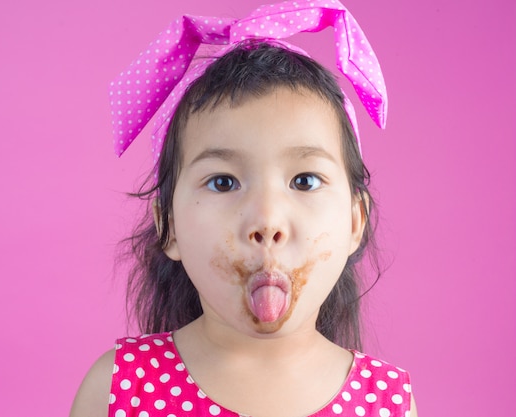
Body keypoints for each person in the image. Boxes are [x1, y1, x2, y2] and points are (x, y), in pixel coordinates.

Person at [72, 1, 417, 416]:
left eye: (304, 181)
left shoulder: (384, 401)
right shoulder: (117, 388)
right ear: (170, 227)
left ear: (355, 222)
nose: (266, 221)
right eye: (223, 182)